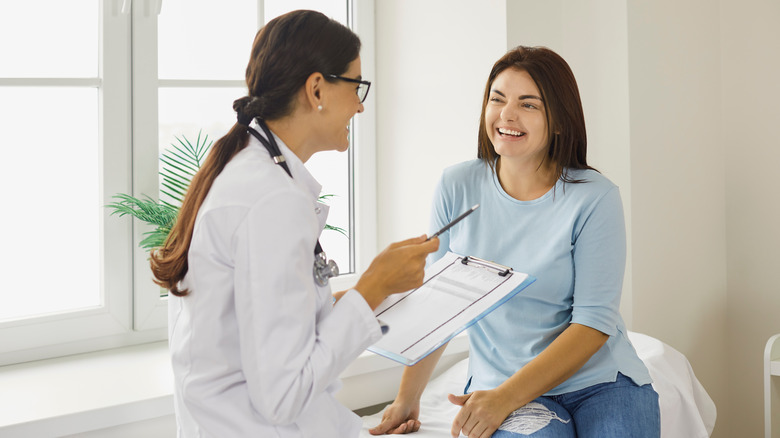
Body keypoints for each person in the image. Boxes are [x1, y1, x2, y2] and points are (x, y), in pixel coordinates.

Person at [149, 10, 439, 438]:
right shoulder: (272, 199)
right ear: (317, 88)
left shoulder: (248, 167)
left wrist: (374, 294)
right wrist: (372, 286)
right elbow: (283, 398)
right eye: (357, 86)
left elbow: (274, 320)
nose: (360, 105)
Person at [370, 46, 660, 438]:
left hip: (599, 382)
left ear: (559, 120)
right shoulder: (457, 185)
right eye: (497, 99)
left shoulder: (594, 197)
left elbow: (593, 324)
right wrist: (407, 398)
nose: (507, 114)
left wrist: (505, 399)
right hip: (500, 382)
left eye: (528, 104)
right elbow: (439, 307)